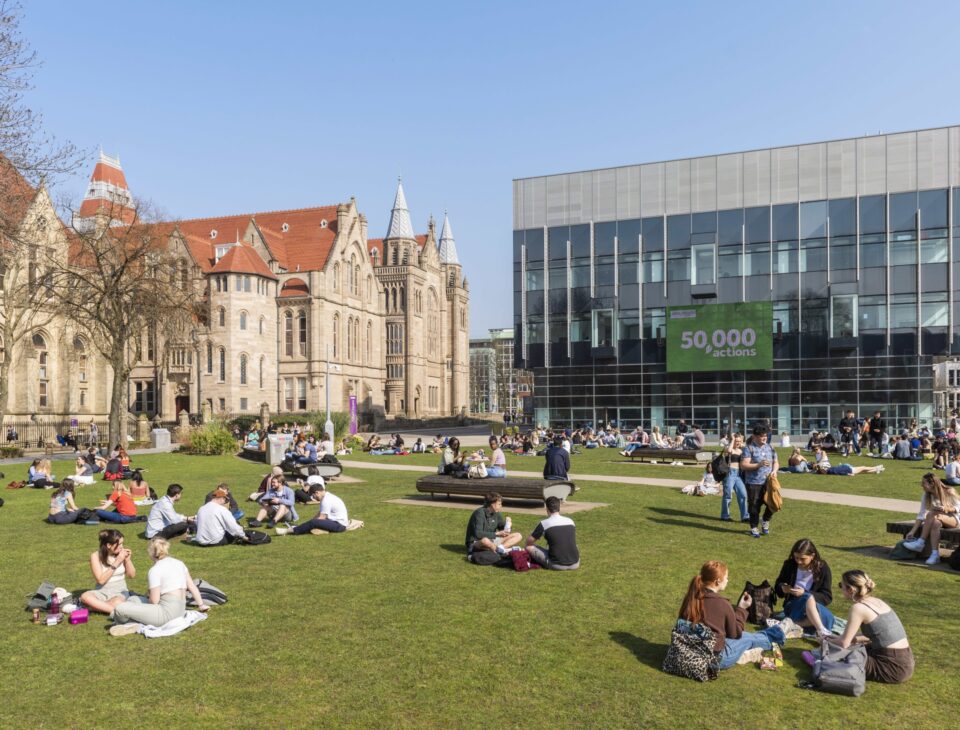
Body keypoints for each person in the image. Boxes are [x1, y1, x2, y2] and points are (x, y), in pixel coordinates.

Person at [802, 570, 914, 684]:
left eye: (841, 585)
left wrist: (824, 640)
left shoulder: (858, 608)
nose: (840, 589)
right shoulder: (878, 602)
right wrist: (853, 639)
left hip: (890, 667)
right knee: (855, 645)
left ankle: (819, 662)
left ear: (850, 590)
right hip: (905, 661)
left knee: (845, 652)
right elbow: (878, 635)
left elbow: (844, 643)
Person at [678, 560, 785, 670]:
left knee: (747, 636)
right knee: (746, 638)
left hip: (687, 652)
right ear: (718, 581)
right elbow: (735, 634)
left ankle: (773, 634)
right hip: (714, 659)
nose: (727, 580)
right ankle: (777, 635)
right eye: (726, 577)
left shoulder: (691, 598)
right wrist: (741, 609)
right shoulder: (722, 603)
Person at [108, 537, 208, 635]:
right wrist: (201, 605)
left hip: (166, 614)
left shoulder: (155, 570)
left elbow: (154, 601)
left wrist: (150, 594)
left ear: (151, 553)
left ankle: (128, 624)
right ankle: (131, 620)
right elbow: (192, 586)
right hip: (180, 610)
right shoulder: (179, 563)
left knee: (120, 609)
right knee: (133, 599)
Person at [773, 539, 834, 638]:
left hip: (815, 606)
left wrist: (804, 593)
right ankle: (821, 630)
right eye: (796, 557)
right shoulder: (789, 565)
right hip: (792, 605)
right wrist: (783, 588)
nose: (799, 561)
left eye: (802, 558)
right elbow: (778, 586)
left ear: (812, 556)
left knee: (829, 617)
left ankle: (793, 624)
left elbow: (827, 597)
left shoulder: (822, 568)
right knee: (808, 598)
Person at [902, 473, 960, 565]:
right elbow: (921, 514)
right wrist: (912, 531)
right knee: (935, 523)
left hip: (954, 519)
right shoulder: (926, 495)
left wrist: (946, 508)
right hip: (938, 518)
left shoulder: (949, 491)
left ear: (932, 484)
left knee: (932, 513)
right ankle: (935, 554)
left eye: (923, 483)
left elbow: (958, 507)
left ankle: (920, 542)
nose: (921, 485)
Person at [80, 529, 137, 615]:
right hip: (101, 590)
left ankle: (93, 608)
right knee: (85, 597)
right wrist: (117, 562)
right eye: (119, 544)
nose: (122, 547)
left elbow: (131, 575)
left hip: (120, 590)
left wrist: (128, 560)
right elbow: (101, 580)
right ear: (109, 545)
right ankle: (115, 611)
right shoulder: (95, 556)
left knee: (117, 602)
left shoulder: (121, 554)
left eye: (122, 543)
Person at [741, 425, 778, 537]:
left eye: (765, 436)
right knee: (754, 506)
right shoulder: (749, 448)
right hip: (753, 483)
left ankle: (765, 520)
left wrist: (775, 470)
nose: (764, 438)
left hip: (768, 481)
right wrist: (758, 464)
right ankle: (754, 527)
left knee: (773, 503)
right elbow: (743, 465)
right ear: (754, 436)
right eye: (761, 436)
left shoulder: (770, 447)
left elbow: (776, 462)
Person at [525, 496, 580, 570]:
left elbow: (529, 542)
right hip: (576, 563)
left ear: (547, 508)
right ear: (559, 507)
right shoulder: (571, 521)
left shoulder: (544, 523)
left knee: (529, 547)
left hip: (556, 565)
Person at [464, 491, 523, 561]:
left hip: (492, 541)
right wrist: (497, 534)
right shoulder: (479, 513)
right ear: (492, 504)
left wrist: (508, 524)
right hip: (476, 542)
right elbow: (478, 534)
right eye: (499, 504)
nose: (501, 506)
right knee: (485, 540)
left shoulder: (497, 514)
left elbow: (505, 531)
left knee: (518, 535)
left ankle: (501, 549)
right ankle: (505, 550)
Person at [721, 433, 748, 523]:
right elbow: (729, 451)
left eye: (739, 441)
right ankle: (725, 516)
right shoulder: (728, 448)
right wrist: (732, 439)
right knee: (727, 495)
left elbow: (748, 449)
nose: (738, 443)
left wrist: (741, 441)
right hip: (729, 473)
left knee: (743, 494)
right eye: (736, 441)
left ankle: (745, 516)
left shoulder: (742, 451)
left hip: (738, 475)